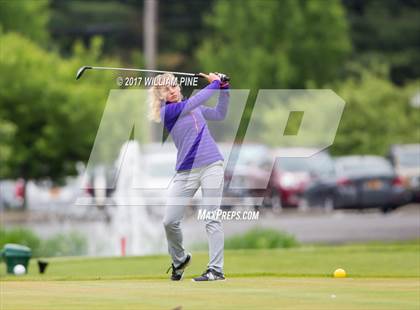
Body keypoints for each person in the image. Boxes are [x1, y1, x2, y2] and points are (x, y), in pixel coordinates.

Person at [148, 72, 230, 281]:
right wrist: (214, 84)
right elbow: (196, 99)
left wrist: (224, 88)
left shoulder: (195, 107)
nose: (173, 90)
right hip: (185, 171)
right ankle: (180, 261)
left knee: (211, 217)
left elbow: (220, 114)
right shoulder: (169, 111)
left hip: (212, 164)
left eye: (174, 86)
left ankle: (216, 270)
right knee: (169, 221)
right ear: (160, 96)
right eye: (167, 89)